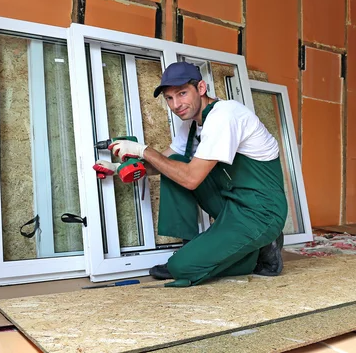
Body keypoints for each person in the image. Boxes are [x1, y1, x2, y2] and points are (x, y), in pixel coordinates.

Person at [93, 61, 288, 287]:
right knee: (174, 162)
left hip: (260, 211)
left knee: (181, 268)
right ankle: (197, 247)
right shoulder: (192, 125)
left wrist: (143, 150)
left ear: (201, 88)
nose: (176, 104)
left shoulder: (225, 116)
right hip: (233, 201)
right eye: (169, 98)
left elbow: (190, 178)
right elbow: (165, 163)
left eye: (182, 93)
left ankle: (260, 249)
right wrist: (119, 170)